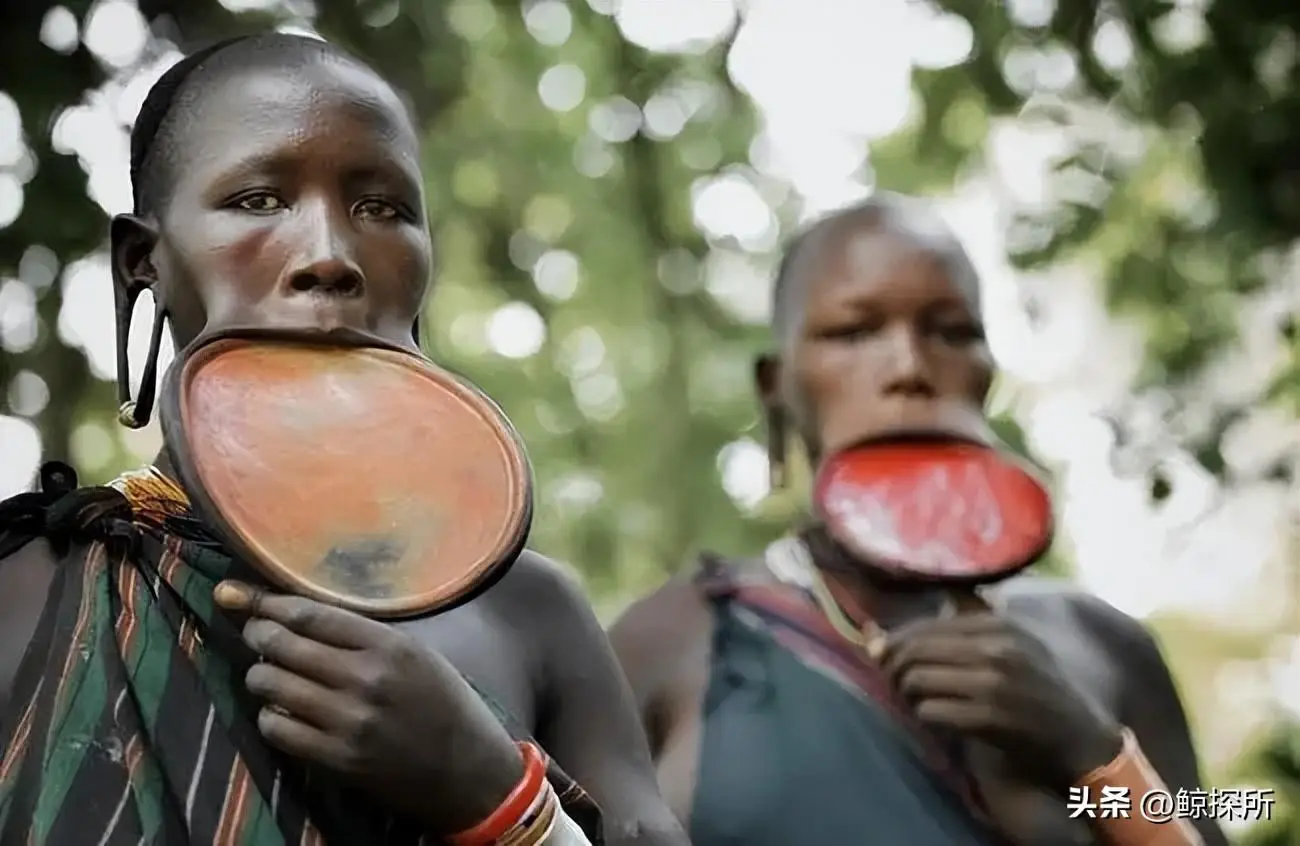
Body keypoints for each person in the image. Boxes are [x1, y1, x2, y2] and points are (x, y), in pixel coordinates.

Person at [0, 33, 685, 846]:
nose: (329, 257)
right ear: (141, 262)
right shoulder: (25, 587)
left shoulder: (530, 614)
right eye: (258, 200)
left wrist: (497, 797)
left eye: (381, 209)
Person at [609, 194, 1228, 846]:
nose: (909, 368)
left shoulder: (1104, 648)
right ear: (776, 385)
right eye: (853, 332)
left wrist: (1090, 754)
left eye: (952, 332)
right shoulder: (668, 643)